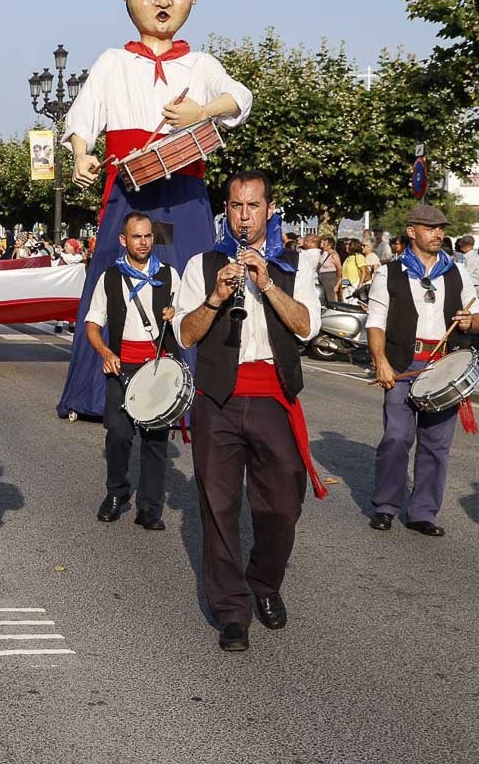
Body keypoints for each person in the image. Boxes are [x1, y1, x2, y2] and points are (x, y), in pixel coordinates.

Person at [58, 0, 253, 420]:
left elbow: (241, 99)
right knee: (113, 278)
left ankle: (194, 390)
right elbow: (82, 118)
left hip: (184, 193)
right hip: (130, 191)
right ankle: (99, 391)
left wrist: (202, 111)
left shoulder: (201, 65)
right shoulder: (112, 62)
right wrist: (83, 153)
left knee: (191, 277)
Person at [172, 171, 322, 653]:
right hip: (218, 397)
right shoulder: (202, 263)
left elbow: (306, 329)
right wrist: (217, 296)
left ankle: (264, 583)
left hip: (273, 394)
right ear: (226, 209)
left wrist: (268, 286)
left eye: (253, 206)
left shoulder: (295, 264)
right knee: (218, 506)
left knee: (282, 504)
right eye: (236, 206)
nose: (244, 215)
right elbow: (186, 335)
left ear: (270, 209)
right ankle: (232, 610)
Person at [366, 205, 479, 538]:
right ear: (412, 231)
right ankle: (386, 506)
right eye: (430, 227)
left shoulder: (457, 271)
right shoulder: (389, 272)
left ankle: (422, 512)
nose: (438, 233)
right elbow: (375, 322)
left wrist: (469, 321)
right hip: (404, 362)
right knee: (396, 437)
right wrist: (381, 361)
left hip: (444, 365)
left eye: (441, 228)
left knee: (436, 444)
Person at [86, 212, 177, 528]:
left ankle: (150, 508)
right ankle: (117, 492)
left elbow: (188, 318)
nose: (143, 242)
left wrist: (175, 313)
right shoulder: (110, 277)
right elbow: (92, 324)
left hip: (158, 368)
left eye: (148, 236)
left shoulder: (169, 275)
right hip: (121, 366)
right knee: (119, 434)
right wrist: (105, 351)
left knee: (155, 441)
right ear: (124, 240)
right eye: (136, 237)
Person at [316, 236, 341, 304]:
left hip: (330, 278)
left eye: (324, 244)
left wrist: (338, 281)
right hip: (323, 278)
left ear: (329, 245)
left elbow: (339, 268)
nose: (323, 245)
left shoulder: (334, 255)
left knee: (331, 297)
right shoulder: (323, 253)